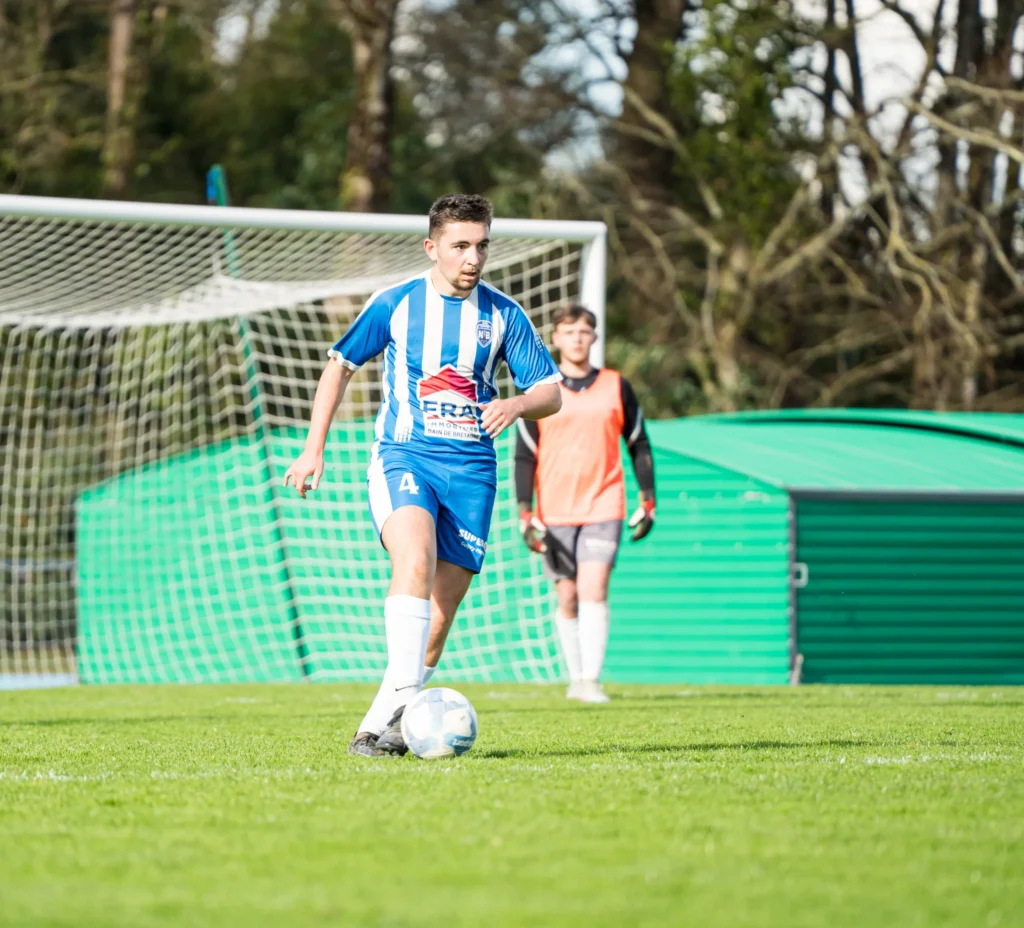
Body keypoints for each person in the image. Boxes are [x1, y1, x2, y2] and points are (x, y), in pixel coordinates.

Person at [284, 194, 562, 757]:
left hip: (473, 473)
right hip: (404, 457)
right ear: (432, 247)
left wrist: (515, 405)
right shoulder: (395, 303)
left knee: (440, 616)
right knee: (415, 560)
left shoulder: (504, 315)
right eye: (461, 246)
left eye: (482, 246)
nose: (473, 258)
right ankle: (397, 710)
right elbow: (339, 366)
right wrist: (314, 449)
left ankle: (378, 725)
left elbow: (550, 393)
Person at [514, 304, 655, 703]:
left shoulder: (616, 386)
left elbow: (639, 443)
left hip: (604, 504)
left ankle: (591, 681)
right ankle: (575, 679)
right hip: (554, 509)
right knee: (568, 596)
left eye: (584, 331)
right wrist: (525, 511)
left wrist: (648, 499)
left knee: (594, 588)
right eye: (568, 331)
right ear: (555, 339)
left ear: (594, 337)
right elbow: (524, 455)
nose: (576, 338)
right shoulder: (541, 392)